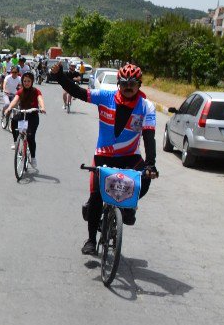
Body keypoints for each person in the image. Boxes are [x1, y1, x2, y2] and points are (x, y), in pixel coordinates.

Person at [50, 62, 159, 255]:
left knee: (146, 178)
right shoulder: (106, 97)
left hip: (129, 156)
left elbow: (149, 137)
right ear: (118, 84)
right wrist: (59, 76)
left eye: (132, 83)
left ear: (139, 84)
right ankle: (91, 240)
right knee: (96, 198)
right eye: (124, 83)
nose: (128, 87)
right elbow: (78, 92)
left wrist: (151, 164)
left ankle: (128, 207)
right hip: (103, 156)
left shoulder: (146, 106)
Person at [3, 71, 46, 168]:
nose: (26, 83)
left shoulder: (36, 91)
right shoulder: (20, 91)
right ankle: (16, 142)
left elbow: (40, 100)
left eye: (28, 81)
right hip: (22, 114)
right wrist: (9, 108)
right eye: (25, 81)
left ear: (32, 82)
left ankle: (33, 157)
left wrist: (42, 107)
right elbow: (15, 101)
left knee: (30, 137)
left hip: (33, 115)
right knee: (14, 121)